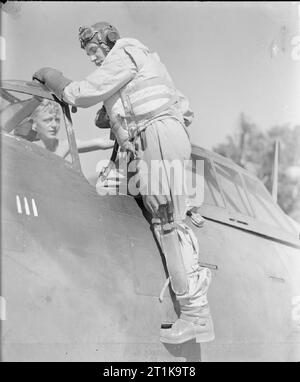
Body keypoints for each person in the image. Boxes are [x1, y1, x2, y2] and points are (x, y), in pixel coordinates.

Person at [32, 22, 214, 344]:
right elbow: (184, 110)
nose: (93, 59)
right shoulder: (144, 61)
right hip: (155, 138)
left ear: (108, 42)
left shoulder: (124, 50)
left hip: (157, 138)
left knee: (168, 225)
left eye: (93, 51)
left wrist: (51, 75)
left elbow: (81, 93)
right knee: (162, 220)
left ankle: (196, 316)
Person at [13, 98, 114, 158]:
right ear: (34, 125)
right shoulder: (17, 145)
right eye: (47, 120)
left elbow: (103, 142)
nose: (54, 125)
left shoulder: (63, 145)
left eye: (56, 120)